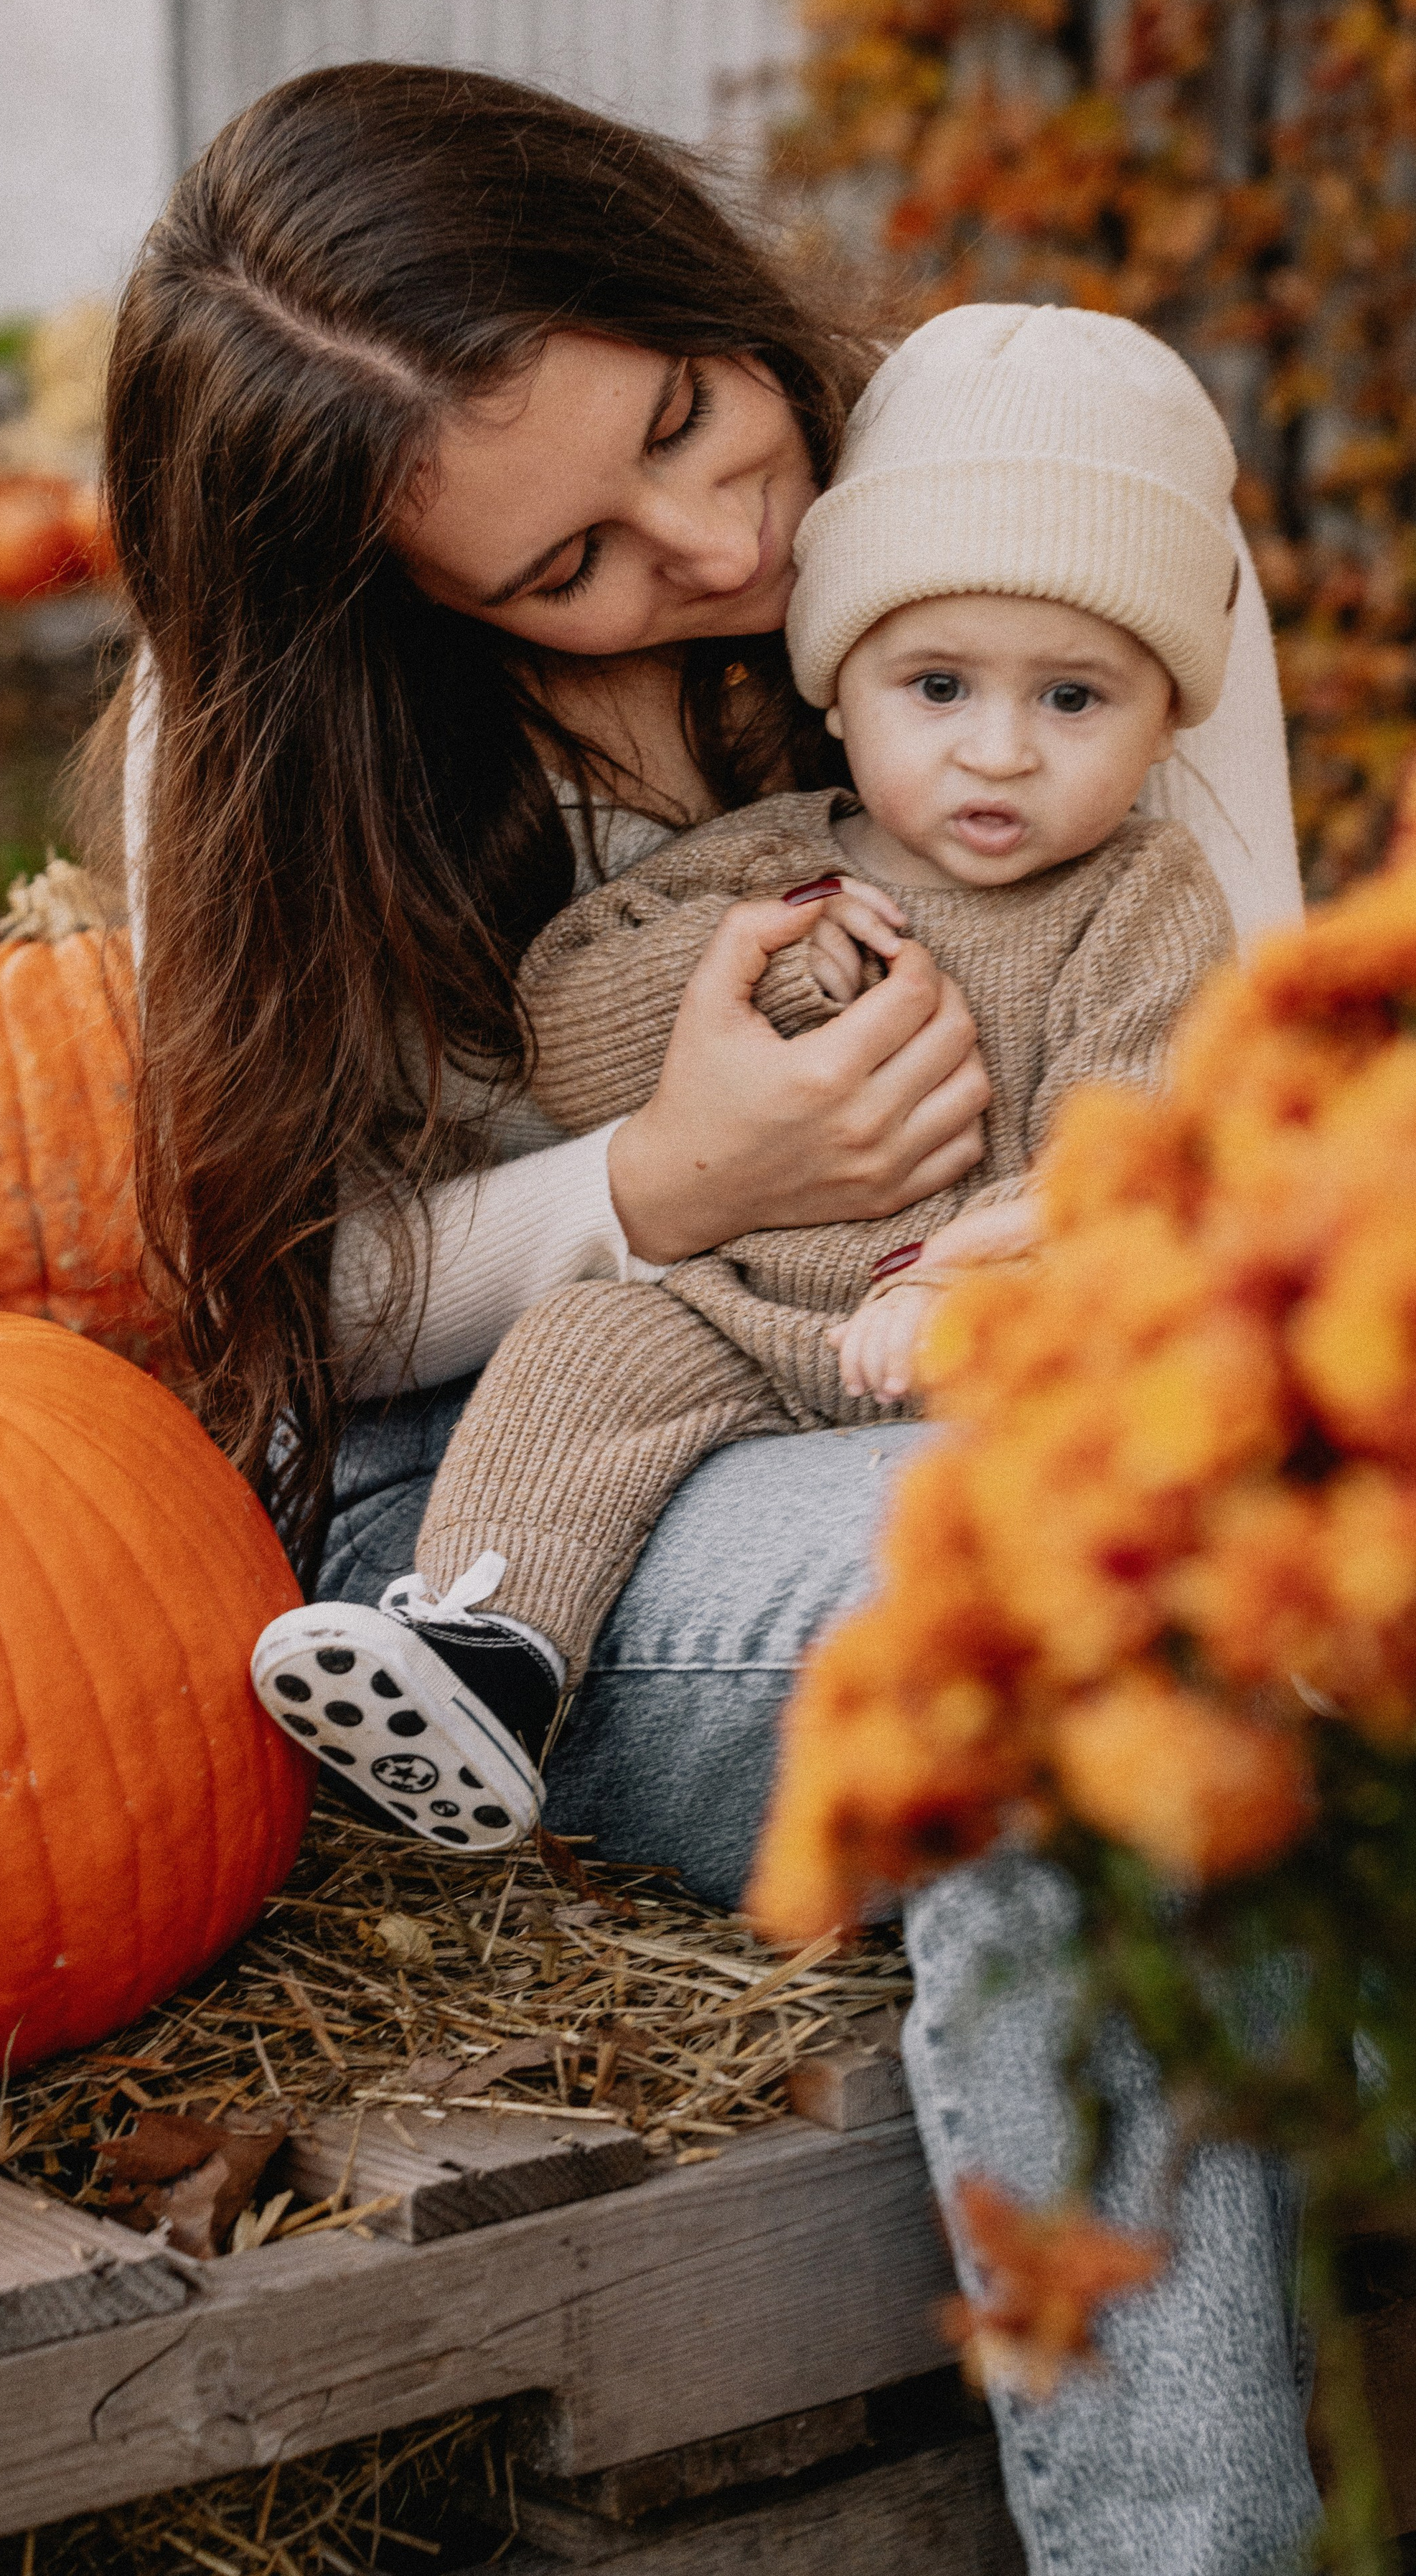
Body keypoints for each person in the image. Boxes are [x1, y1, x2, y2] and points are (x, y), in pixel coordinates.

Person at [94, 58, 1332, 2576]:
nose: (718, 530)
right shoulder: (256, 764)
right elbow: (281, 1305)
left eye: (687, 413)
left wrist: (1105, 1236)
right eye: (570, 566)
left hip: (1041, 1379)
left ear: (688, 276)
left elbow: (1247, 1049)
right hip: (532, 1496)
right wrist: (661, 1184)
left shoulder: (1038, 493)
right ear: (407, 602)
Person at [248, 301, 1242, 1853]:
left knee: (1129, 1531)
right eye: (936, 692)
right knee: (586, 1354)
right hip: (727, 1298)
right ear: (835, 689)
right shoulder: (771, 861)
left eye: (1071, 700)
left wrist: (1011, 1268)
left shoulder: (1137, 892)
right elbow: (565, 1015)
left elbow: (1143, 1111)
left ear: (1164, 706)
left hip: (970, 1324)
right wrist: (740, 976)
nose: (996, 752)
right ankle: (482, 1645)